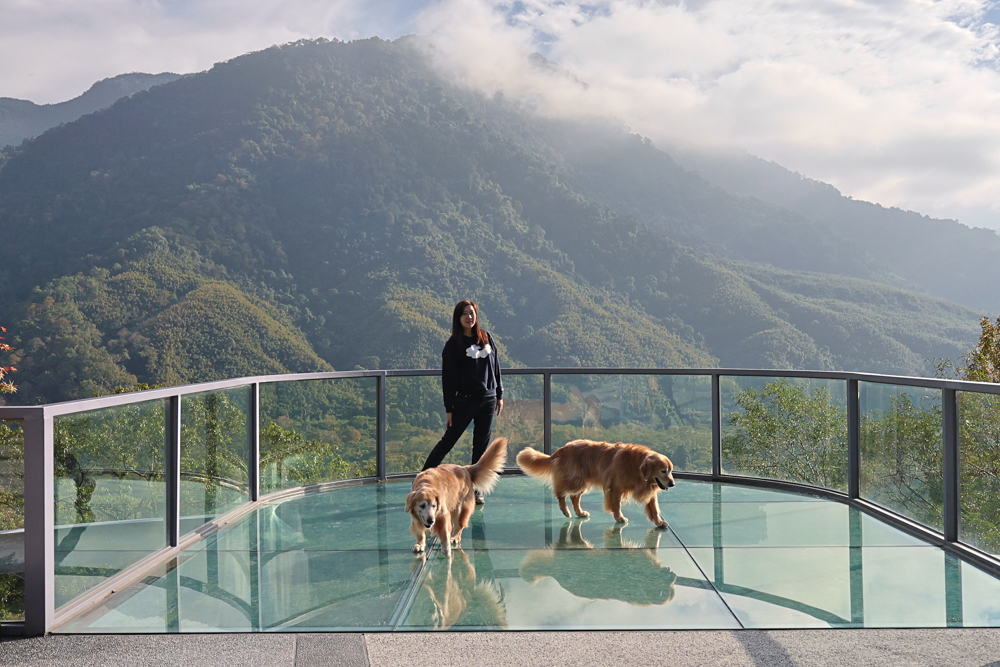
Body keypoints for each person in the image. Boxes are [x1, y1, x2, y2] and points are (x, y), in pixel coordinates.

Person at [422, 299, 504, 503]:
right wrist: (449, 408)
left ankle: (475, 490)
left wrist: (499, 394)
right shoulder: (453, 346)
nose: (469, 317)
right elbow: (448, 379)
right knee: (448, 441)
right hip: (465, 402)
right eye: (465, 314)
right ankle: (422, 479)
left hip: (488, 399)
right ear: (458, 318)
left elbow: (495, 367)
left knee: (480, 447)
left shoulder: (486, 337)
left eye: (472, 313)